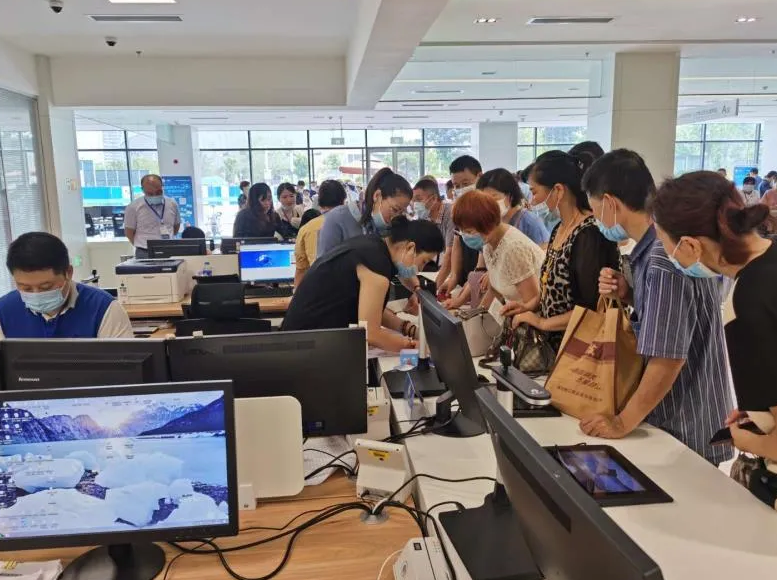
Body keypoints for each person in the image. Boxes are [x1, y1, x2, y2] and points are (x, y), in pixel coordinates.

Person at [580, 152, 734, 466]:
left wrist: (622, 422)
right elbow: (675, 317)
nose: (596, 220)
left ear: (609, 202)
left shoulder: (663, 256)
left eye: (594, 210)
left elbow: (668, 357)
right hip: (691, 415)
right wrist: (629, 294)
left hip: (682, 426)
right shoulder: (666, 248)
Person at [652, 172, 777, 501]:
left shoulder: (747, 301)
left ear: (691, 245)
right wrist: (760, 413)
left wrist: (746, 440)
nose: (669, 256)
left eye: (667, 247)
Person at [503, 151, 619, 351]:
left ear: (558, 190)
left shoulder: (589, 234)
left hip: (581, 351)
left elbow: (591, 310)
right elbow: (552, 287)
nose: (532, 202)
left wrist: (542, 322)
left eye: (535, 193)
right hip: (555, 345)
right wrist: (529, 306)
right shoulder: (560, 228)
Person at [282, 217, 444, 352]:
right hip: (306, 348)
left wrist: (410, 330)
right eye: (424, 261)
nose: (420, 269)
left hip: (295, 339)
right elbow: (371, 334)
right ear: (410, 247)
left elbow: (370, 311)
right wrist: (418, 347)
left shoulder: (372, 246)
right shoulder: (376, 266)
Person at [0, 232, 133, 339]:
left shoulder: (103, 308)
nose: (36, 294)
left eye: (46, 287)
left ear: (68, 272)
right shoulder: (4, 310)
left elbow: (121, 362)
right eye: (26, 288)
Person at [451, 191, 543, 310]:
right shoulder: (489, 243)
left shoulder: (513, 248)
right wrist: (476, 314)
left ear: (485, 224)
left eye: (469, 231)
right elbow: (495, 289)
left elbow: (532, 303)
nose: (466, 235)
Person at [316, 168, 412, 258]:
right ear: (377, 196)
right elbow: (323, 266)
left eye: (401, 212)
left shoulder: (387, 230)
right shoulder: (337, 219)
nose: (396, 217)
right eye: (395, 209)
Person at [440, 156, 484, 298]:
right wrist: (454, 276)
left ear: (479, 177)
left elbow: (485, 252)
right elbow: (457, 240)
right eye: (456, 186)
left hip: (483, 279)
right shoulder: (460, 207)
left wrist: (473, 283)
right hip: (467, 277)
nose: (461, 189)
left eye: (465, 183)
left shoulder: (488, 208)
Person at [477, 168, 550, 247]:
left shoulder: (530, 222)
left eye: (493, 198)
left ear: (510, 196)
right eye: (483, 200)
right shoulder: (492, 222)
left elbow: (544, 251)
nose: (487, 204)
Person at [294, 180, 347, 286]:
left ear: (319, 202)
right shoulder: (354, 224)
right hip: (349, 286)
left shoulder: (307, 229)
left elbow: (301, 269)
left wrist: (296, 293)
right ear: (343, 200)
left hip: (318, 286)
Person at [124, 174, 181, 259]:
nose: (155, 195)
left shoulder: (172, 204)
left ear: (162, 186)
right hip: (144, 252)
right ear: (143, 190)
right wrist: (142, 246)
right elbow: (129, 232)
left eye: (158, 192)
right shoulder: (133, 207)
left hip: (168, 249)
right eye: (150, 193)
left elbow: (176, 227)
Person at [412, 179, 454, 278]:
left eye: (418, 199)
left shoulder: (451, 213)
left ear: (434, 198)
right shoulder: (425, 217)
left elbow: (450, 253)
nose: (415, 204)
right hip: (437, 267)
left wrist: (438, 283)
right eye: (413, 200)